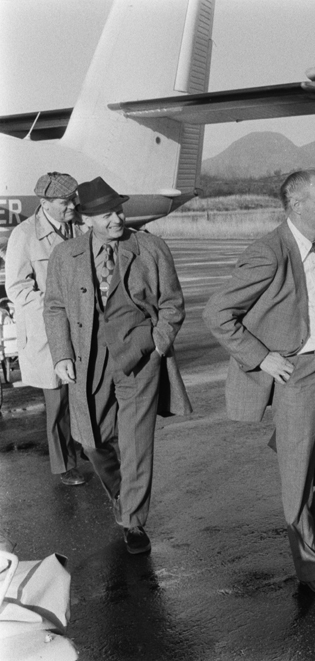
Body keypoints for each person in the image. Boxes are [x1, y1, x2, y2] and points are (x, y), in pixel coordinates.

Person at [203, 170, 315, 596]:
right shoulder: (269, 252)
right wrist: (262, 357)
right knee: (295, 478)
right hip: (298, 376)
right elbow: (217, 313)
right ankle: (311, 567)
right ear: (297, 206)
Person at [44, 176, 190, 554]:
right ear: (87, 219)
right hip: (87, 361)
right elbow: (55, 307)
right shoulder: (66, 256)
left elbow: (172, 304)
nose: (117, 219)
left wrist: (157, 344)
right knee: (91, 441)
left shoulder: (150, 248)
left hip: (140, 359)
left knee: (137, 444)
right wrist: (61, 355)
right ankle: (123, 496)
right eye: (106, 214)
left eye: (119, 210)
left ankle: (133, 522)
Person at [4, 173, 86, 486]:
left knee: (86, 391)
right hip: (46, 330)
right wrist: (57, 302)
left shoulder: (78, 226)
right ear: (45, 204)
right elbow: (18, 289)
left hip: (82, 324)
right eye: (65, 202)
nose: (72, 207)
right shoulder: (24, 236)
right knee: (58, 399)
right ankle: (64, 465)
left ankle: (88, 444)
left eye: (73, 200)